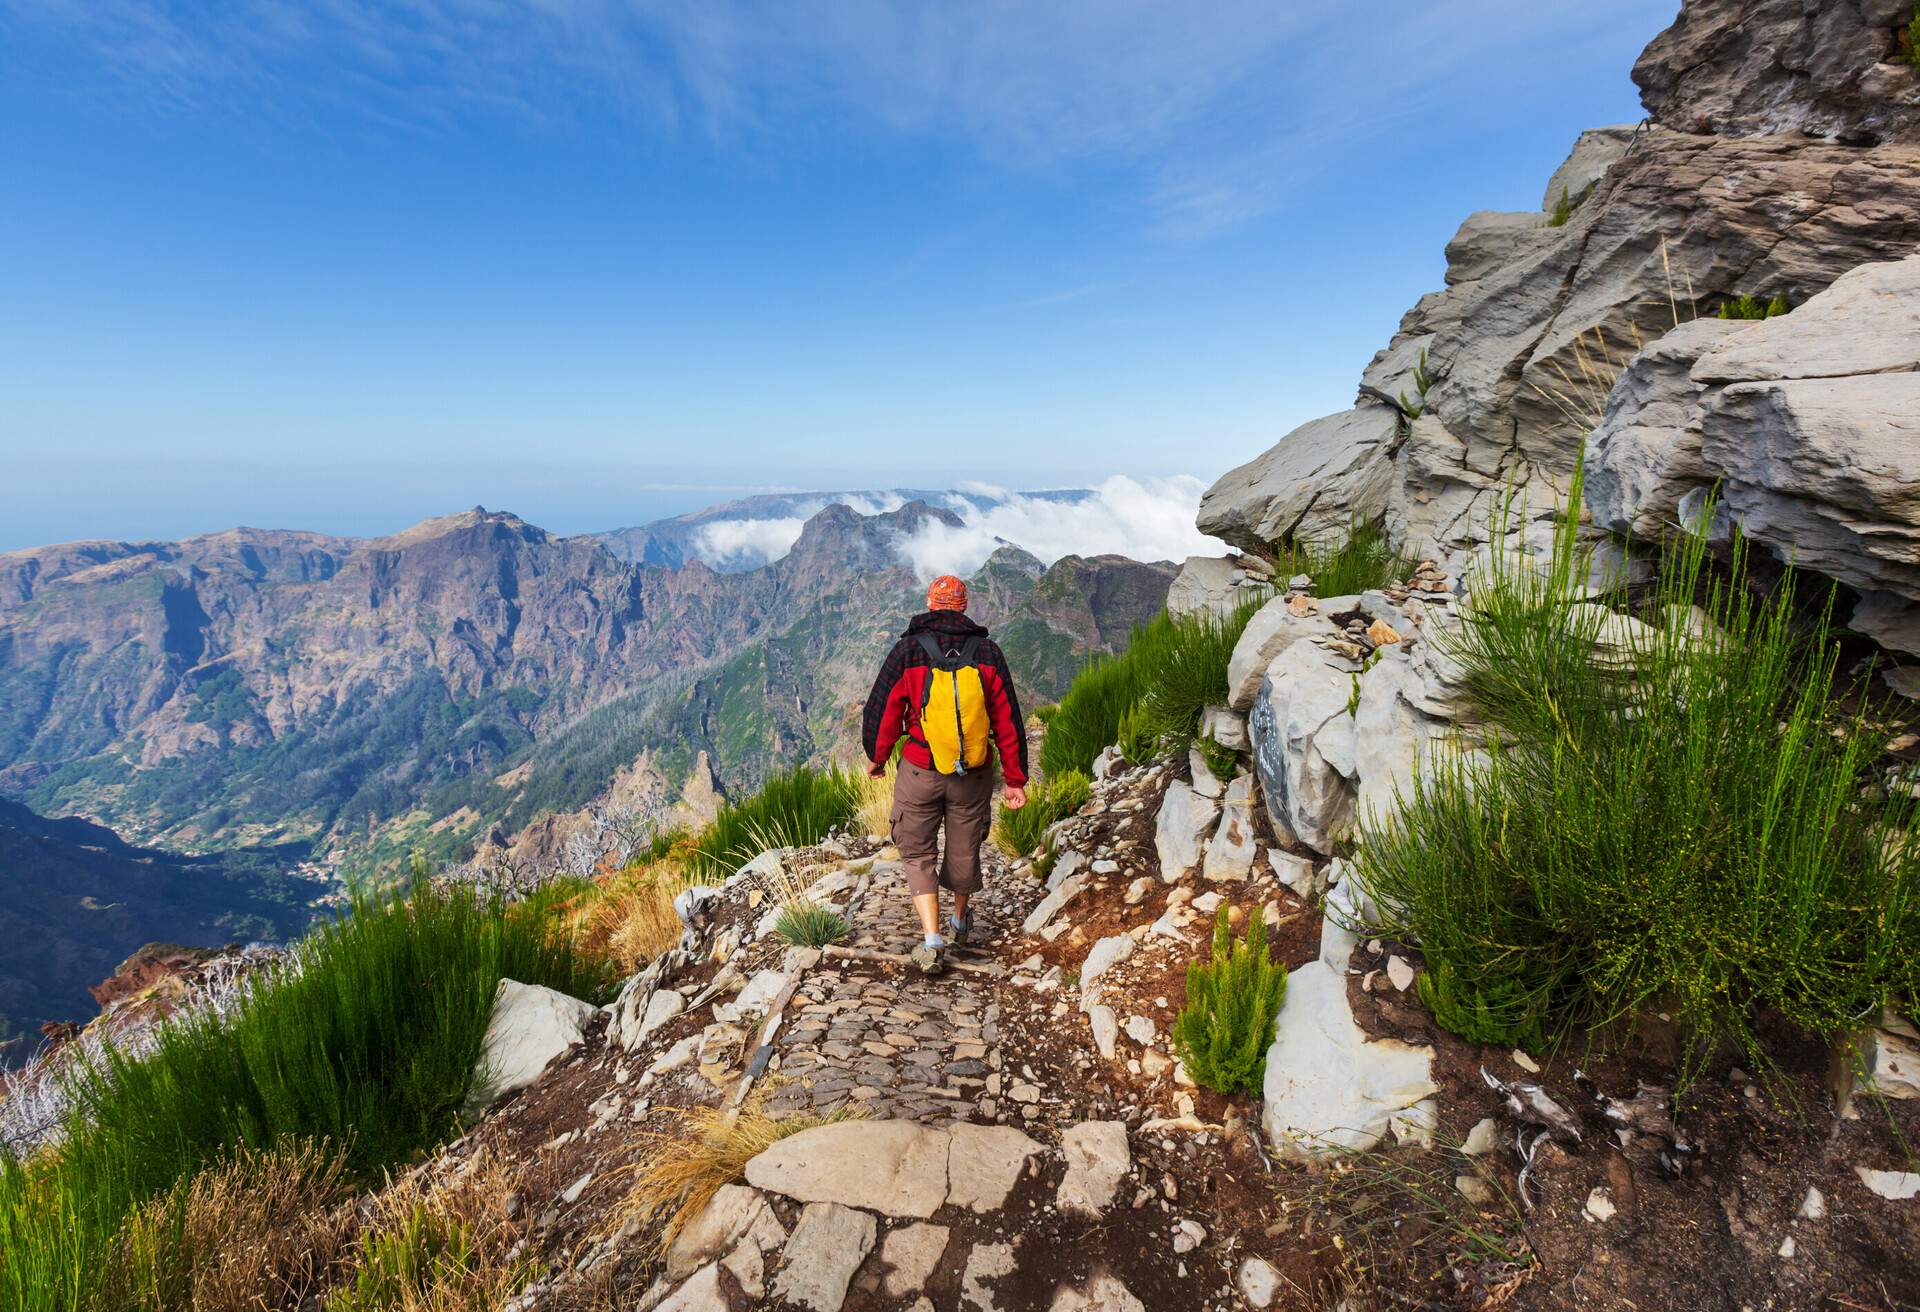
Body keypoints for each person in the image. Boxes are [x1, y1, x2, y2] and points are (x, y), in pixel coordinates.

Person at [862, 573, 1028, 974]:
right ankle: (959, 920)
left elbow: (883, 710)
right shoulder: (988, 652)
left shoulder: (908, 651)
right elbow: (1007, 719)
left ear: (930, 604)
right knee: (964, 845)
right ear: (964, 606)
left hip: (920, 768)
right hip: (972, 772)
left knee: (918, 850)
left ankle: (932, 939)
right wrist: (1016, 780)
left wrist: (877, 757)